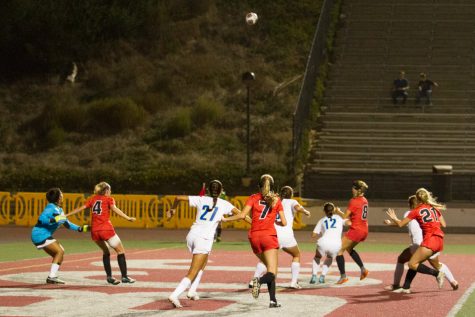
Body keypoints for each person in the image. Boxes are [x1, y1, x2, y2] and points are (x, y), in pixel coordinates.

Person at [166, 180, 246, 308]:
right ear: (221, 191)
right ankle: (175, 295)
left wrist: (172, 209)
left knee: (203, 263)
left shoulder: (201, 199)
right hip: (203, 239)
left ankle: (192, 291)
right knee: (192, 271)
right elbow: (242, 215)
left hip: (192, 235)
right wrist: (254, 223)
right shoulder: (225, 204)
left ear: (208, 190)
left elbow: (178, 198)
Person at [223, 174, 287, 308]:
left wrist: (225, 219)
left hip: (254, 237)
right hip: (269, 236)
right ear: (272, 187)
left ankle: (273, 300)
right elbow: (284, 222)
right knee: (272, 272)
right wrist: (276, 221)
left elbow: (241, 215)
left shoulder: (253, 197)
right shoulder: (277, 200)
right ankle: (259, 281)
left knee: (270, 268)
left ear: (259, 186)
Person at [384, 195, 458, 291]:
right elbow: (443, 224)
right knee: (436, 264)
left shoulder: (411, 212)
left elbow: (401, 223)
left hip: (422, 244)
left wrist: (393, 220)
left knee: (404, 259)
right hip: (434, 242)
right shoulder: (431, 210)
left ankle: (397, 285)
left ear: (411, 204)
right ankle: (453, 281)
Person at [67, 181, 136, 285]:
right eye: (110, 190)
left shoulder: (92, 199)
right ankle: (124, 277)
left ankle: (109, 277)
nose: (110, 192)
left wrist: (66, 215)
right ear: (107, 190)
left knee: (106, 252)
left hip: (95, 231)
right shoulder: (109, 199)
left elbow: (80, 208)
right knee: (120, 251)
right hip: (106, 229)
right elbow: (115, 209)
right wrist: (128, 218)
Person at [249, 185, 310, 289]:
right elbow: (297, 207)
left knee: (265, 259)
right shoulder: (291, 201)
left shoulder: (274, 200)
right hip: (286, 236)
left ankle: (253, 280)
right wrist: (305, 211)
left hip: (273, 234)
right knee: (296, 255)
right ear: (291, 195)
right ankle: (293, 282)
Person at [31, 188, 87, 284]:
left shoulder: (60, 210)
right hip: (40, 234)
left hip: (44, 234)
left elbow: (67, 224)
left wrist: (80, 229)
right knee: (59, 251)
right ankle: (51, 277)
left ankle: (52, 276)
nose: (62, 196)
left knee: (59, 254)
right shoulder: (50, 207)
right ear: (57, 197)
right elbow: (41, 220)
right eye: (61, 195)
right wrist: (54, 220)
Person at [334, 180, 369, 284]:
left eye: (353, 187)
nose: (352, 189)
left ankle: (343, 276)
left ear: (358, 190)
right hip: (364, 229)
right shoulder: (364, 200)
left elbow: (345, 216)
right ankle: (363, 270)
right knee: (349, 248)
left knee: (338, 251)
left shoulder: (354, 201)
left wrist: (338, 211)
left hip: (356, 229)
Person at [310, 202, 346, 284]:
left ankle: (314, 276)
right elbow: (349, 222)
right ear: (334, 210)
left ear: (324, 210)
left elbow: (313, 235)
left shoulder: (322, 220)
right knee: (329, 258)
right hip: (336, 244)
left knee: (317, 257)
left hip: (323, 243)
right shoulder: (339, 218)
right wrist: (339, 212)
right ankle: (322, 276)